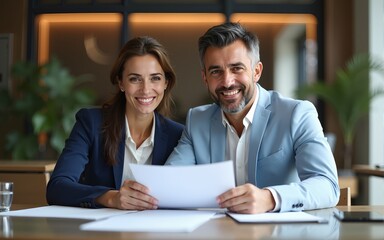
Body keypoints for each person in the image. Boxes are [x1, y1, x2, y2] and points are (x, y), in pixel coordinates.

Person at [165, 22, 339, 213]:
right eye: (216, 71)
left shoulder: (297, 114)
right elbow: (171, 181)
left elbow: (327, 186)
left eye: (237, 68)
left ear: (256, 71)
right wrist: (140, 195)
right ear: (205, 77)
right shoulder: (197, 120)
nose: (227, 81)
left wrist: (270, 198)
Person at [46, 36, 184, 210]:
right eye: (135, 79)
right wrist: (110, 197)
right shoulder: (91, 123)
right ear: (121, 82)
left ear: (166, 83)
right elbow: (57, 188)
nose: (146, 89)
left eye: (155, 78)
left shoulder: (179, 135)